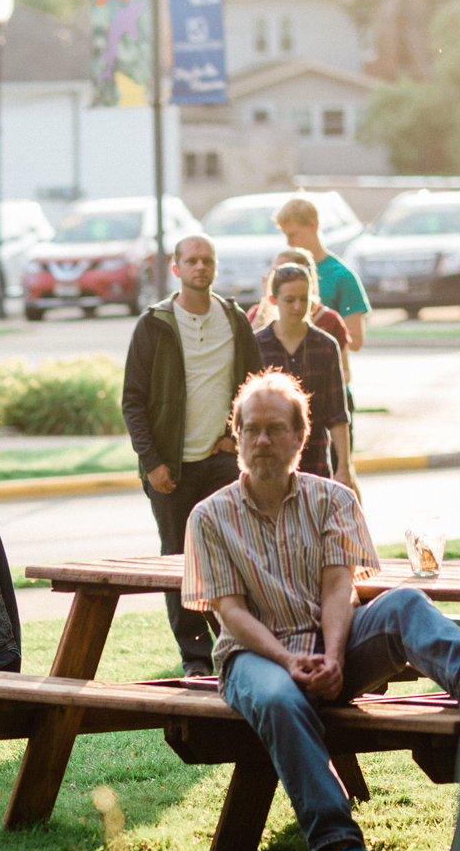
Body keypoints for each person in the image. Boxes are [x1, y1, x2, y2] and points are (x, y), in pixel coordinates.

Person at [186, 370, 460, 851]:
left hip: (331, 641)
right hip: (254, 655)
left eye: (275, 429)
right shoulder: (209, 516)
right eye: (251, 430)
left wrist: (333, 656)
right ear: (235, 436)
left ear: (300, 438)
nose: (262, 441)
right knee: (281, 700)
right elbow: (231, 613)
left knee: (402, 602)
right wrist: (289, 661)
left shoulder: (332, 499)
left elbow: (338, 589)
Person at [122, 233, 262, 676]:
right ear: (176, 268)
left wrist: (232, 435)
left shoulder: (234, 319)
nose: (201, 267)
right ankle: (196, 657)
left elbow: (256, 385)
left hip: (222, 463)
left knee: (232, 556)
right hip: (171, 470)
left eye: (208, 260)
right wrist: (153, 463)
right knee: (178, 563)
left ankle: (240, 644)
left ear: (215, 266)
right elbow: (133, 401)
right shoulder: (154, 324)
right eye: (192, 261)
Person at [254, 263, 355, 491]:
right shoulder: (255, 345)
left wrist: (344, 468)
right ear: (273, 300)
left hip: (316, 463)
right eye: (289, 300)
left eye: (304, 299)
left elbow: (338, 413)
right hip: (267, 464)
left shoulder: (326, 346)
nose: (298, 307)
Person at [273, 197, 368, 354]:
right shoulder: (284, 271)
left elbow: (356, 341)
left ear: (313, 225)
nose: (289, 242)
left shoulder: (342, 276)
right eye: (285, 236)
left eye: (293, 235)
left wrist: (312, 329)